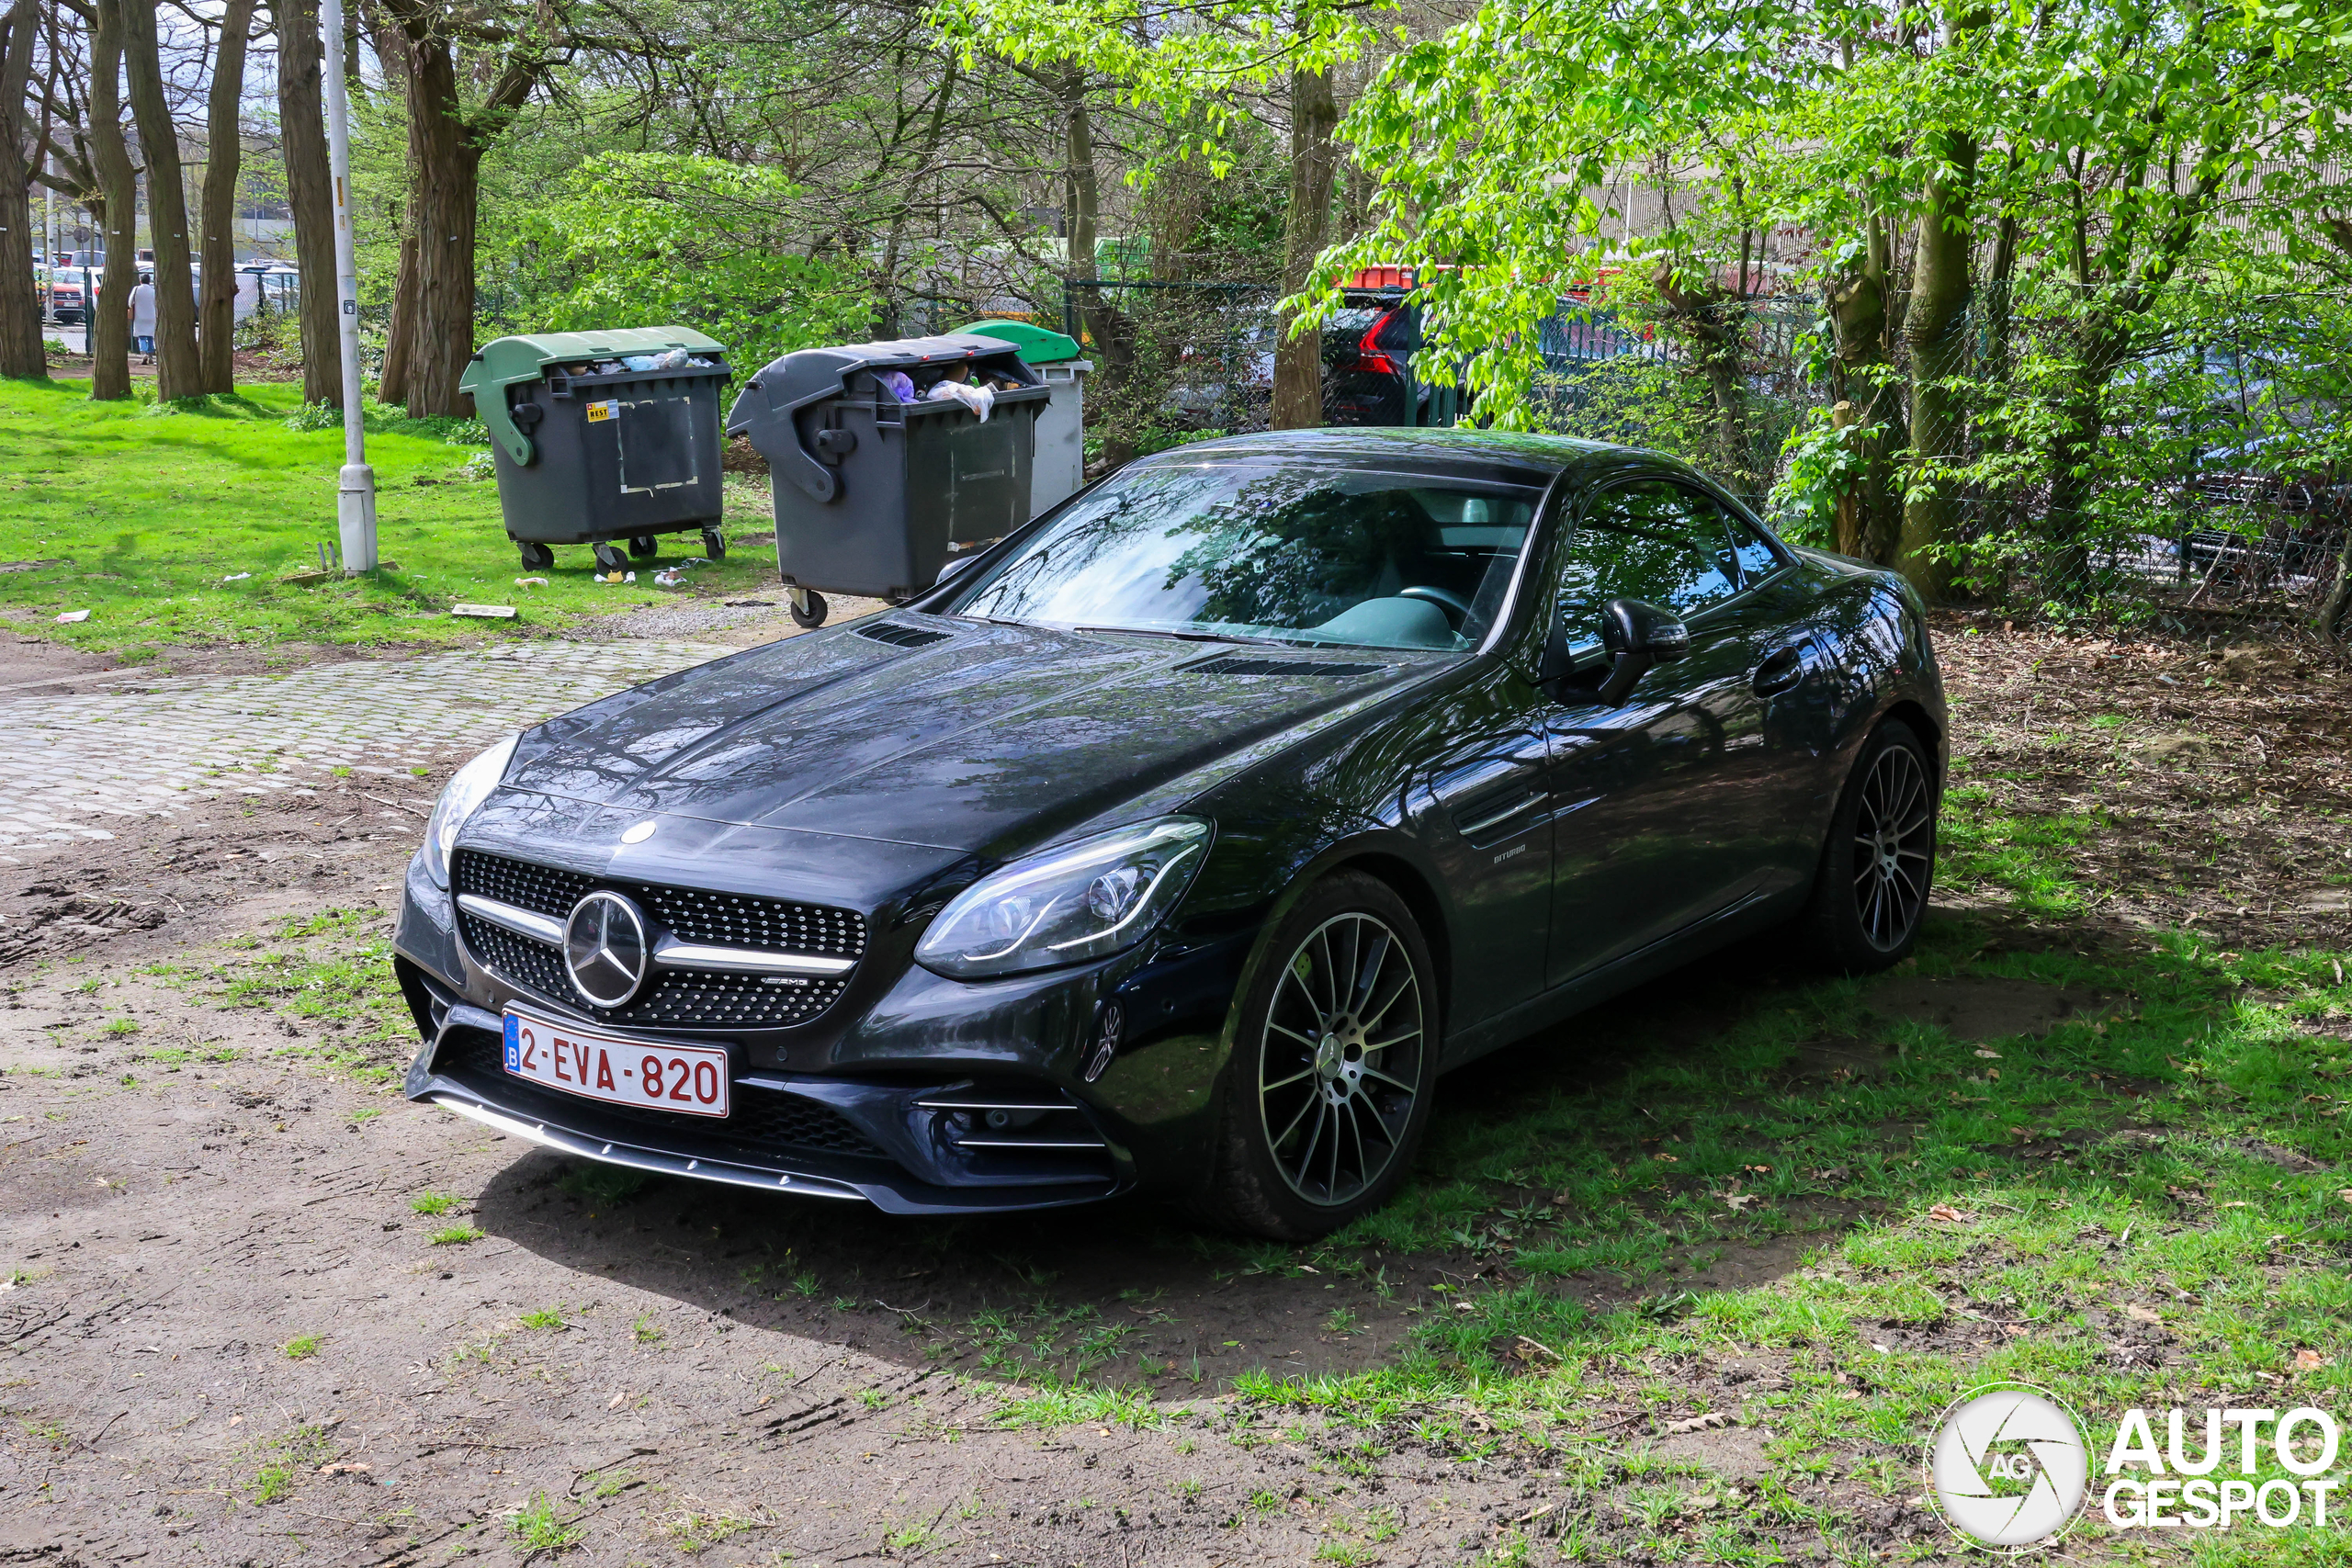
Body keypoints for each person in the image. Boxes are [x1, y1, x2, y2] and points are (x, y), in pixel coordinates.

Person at [129, 274, 156, 363]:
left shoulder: (136, 289)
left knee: (142, 337)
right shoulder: (153, 291)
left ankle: (144, 353)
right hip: (152, 316)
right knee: (150, 337)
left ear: (140, 280)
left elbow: (130, 302)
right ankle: (151, 355)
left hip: (139, 316)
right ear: (149, 281)